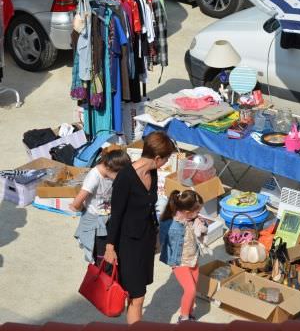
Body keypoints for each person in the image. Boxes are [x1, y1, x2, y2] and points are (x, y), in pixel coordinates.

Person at [104, 131, 175, 324]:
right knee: (138, 296)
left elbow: (149, 206)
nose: (166, 163)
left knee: (137, 292)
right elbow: (116, 215)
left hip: (145, 240)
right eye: (166, 159)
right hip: (128, 245)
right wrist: (110, 248)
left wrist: (156, 235)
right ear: (158, 157)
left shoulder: (152, 171)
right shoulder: (125, 178)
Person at [72, 148, 131, 265]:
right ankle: (102, 276)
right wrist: (83, 210)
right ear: (110, 169)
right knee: (102, 253)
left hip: (108, 217)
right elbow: (76, 203)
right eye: (120, 175)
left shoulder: (110, 172)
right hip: (96, 221)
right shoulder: (94, 177)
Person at [158, 190, 208, 323]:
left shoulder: (192, 218)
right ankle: (184, 317)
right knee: (190, 289)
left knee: (193, 289)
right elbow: (163, 241)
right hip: (180, 262)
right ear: (187, 212)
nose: (198, 214)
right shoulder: (172, 224)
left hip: (193, 259)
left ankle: (190, 314)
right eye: (197, 212)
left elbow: (201, 231)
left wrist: (202, 223)